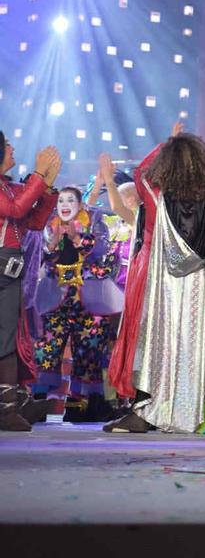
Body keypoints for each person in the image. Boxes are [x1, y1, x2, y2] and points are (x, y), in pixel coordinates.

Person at [101, 128, 205, 434]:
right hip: (195, 283)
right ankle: (187, 410)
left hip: (163, 280)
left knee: (156, 343)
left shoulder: (154, 194)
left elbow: (141, 170)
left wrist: (165, 143)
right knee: (188, 343)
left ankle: (145, 411)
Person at [32, 184, 118, 422]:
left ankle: (80, 407)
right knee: (46, 350)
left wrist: (78, 238)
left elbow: (103, 251)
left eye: (70, 200)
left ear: (80, 204)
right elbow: (37, 257)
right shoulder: (48, 227)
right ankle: (36, 405)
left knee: (88, 354)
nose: (65, 205)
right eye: (60, 201)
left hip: (89, 300)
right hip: (55, 299)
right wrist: (53, 242)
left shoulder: (94, 221)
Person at [0, 139, 59, 432]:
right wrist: (37, 175)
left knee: (9, 340)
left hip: (10, 272)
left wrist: (47, 186)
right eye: (7, 145)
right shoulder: (6, 193)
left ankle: (9, 408)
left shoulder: (9, 186)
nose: (13, 146)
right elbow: (14, 209)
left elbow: (33, 221)